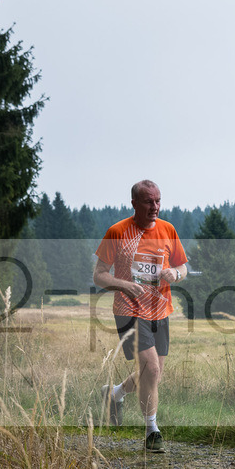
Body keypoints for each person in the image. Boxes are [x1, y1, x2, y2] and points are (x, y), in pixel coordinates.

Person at [93, 180, 188, 452]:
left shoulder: (168, 229)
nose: (155, 207)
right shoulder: (118, 231)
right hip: (128, 309)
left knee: (152, 375)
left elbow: (183, 267)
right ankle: (152, 431)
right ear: (134, 203)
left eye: (158, 201)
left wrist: (176, 274)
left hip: (160, 309)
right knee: (152, 369)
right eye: (148, 201)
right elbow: (99, 275)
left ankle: (114, 393)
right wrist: (124, 285)